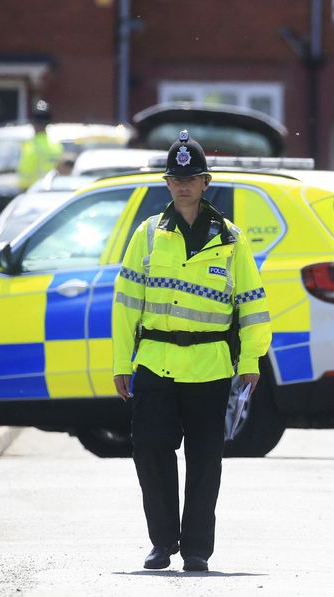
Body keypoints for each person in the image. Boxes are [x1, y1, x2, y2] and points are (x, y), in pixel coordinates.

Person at [112, 131, 272, 571]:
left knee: (206, 460)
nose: (183, 185)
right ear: (167, 183)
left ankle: (197, 549)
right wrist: (121, 363)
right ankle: (163, 542)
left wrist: (251, 361)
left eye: (192, 178)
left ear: (206, 182)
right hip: (155, 363)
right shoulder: (147, 236)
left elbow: (253, 305)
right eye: (176, 178)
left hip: (209, 364)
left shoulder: (232, 239)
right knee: (149, 451)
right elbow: (125, 306)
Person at [17, 100, 62, 191]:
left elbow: (25, 173)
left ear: (34, 124)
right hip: (53, 190)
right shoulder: (56, 145)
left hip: (33, 191)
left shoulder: (30, 146)